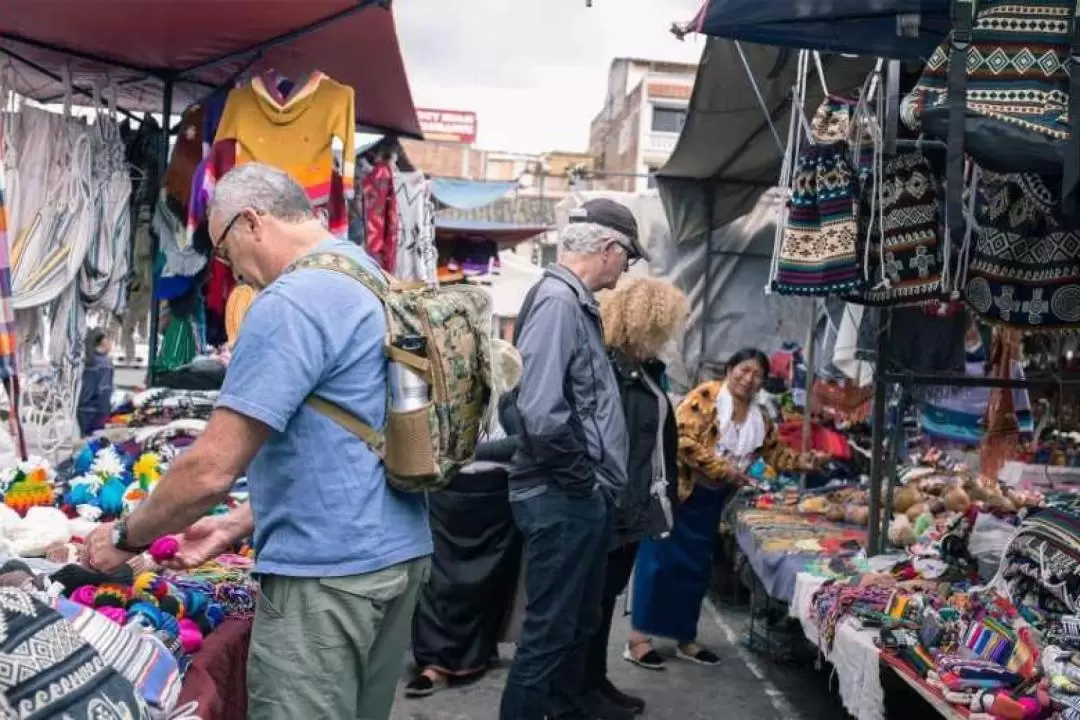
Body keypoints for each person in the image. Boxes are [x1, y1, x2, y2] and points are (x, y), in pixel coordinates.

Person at [83, 162, 432, 720]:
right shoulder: (367, 274)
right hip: (396, 553)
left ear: (251, 222)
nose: (232, 272)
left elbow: (210, 469)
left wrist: (126, 537)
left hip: (327, 574)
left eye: (223, 252)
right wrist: (233, 523)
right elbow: (339, 437)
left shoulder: (292, 301)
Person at [500, 198, 643, 720]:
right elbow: (539, 411)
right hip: (561, 495)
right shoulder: (561, 302)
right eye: (626, 258)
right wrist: (583, 481)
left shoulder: (568, 299)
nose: (624, 270)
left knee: (570, 627)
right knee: (548, 633)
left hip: (570, 493)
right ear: (610, 249)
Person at [625, 348, 826, 669]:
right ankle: (638, 640)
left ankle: (684, 639)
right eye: (743, 370)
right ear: (730, 369)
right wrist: (724, 471)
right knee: (658, 564)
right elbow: (682, 439)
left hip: (710, 502)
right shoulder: (706, 397)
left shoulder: (760, 418)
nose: (748, 379)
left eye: (756, 375)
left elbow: (777, 456)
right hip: (680, 494)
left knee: (694, 569)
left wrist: (807, 462)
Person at [584, 279, 686, 717]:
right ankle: (585, 690)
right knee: (595, 603)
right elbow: (618, 452)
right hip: (615, 511)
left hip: (628, 509)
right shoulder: (618, 375)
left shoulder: (638, 371)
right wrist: (625, 515)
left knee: (603, 603)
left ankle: (594, 682)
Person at [406, 340, 525, 698]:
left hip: (491, 501)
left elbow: (521, 442)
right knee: (438, 582)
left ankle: (475, 654)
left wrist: (465, 451)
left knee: (482, 586)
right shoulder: (438, 396)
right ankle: (434, 663)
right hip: (446, 496)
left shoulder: (508, 397)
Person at [77, 327, 115, 437]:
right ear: (104, 341)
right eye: (111, 340)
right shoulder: (104, 364)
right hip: (96, 412)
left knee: (85, 442)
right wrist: (107, 415)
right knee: (96, 445)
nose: (112, 344)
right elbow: (104, 391)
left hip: (82, 410)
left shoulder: (87, 360)